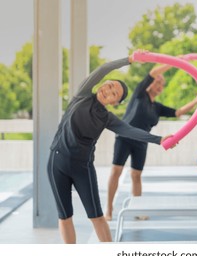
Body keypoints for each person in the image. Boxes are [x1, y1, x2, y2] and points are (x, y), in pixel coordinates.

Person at [47, 52, 172, 243]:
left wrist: (159, 140)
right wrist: (128, 60)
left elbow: (130, 131)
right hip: (57, 161)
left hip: (83, 168)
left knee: (96, 216)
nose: (109, 91)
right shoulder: (82, 95)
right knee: (64, 216)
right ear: (103, 84)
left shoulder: (107, 118)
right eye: (110, 85)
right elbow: (103, 69)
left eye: (114, 94)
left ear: (114, 103)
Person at [105, 62, 197, 221]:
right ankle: (108, 210)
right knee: (116, 171)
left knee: (136, 175)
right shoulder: (139, 94)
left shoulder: (157, 107)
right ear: (151, 83)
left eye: (162, 84)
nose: (160, 85)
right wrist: (174, 61)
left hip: (141, 142)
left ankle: (138, 210)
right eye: (157, 81)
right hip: (125, 137)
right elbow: (153, 71)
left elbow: (178, 112)